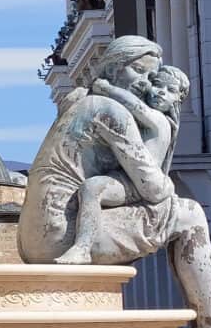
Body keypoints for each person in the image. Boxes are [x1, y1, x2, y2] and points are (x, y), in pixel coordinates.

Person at [18, 36, 211, 328]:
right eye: (138, 71)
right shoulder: (111, 111)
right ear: (114, 69)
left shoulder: (80, 101)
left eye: (150, 75)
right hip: (61, 234)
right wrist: (165, 184)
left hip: (33, 236)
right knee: (189, 214)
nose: (146, 83)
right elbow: (153, 188)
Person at [55, 65, 189, 265]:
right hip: (131, 179)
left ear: (178, 100)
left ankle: (83, 248)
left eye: (170, 90)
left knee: (92, 188)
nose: (161, 92)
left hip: (144, 184)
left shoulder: (159, 120)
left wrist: (107, 88)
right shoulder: (143, 120)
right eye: (158, 85)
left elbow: (136, 106)